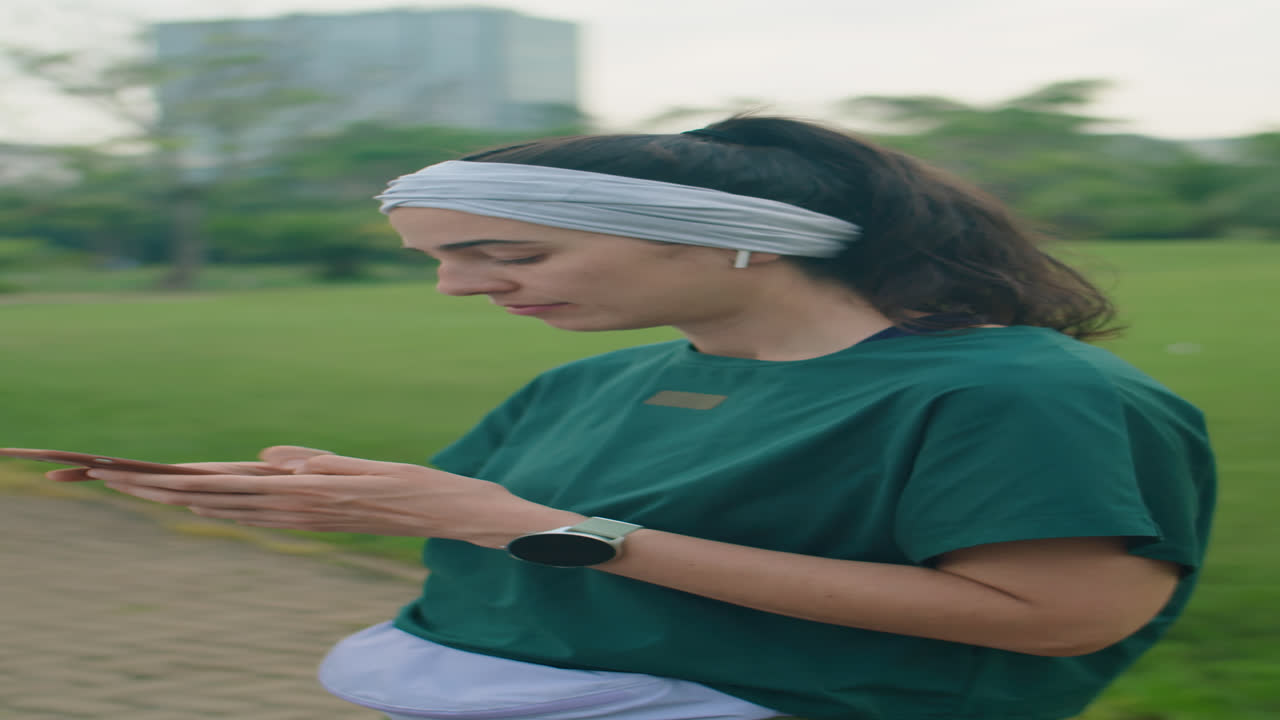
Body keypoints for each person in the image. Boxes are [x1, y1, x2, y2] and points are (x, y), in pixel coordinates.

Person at [59, 115, 1216, 720]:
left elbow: (1058, 619)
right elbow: (501, 527)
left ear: (736, 239)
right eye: (439, 260)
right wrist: (342, 496)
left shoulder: (1019, 395)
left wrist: (538, 527)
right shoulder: (594, 380)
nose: (460, 288)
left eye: (506, 253)